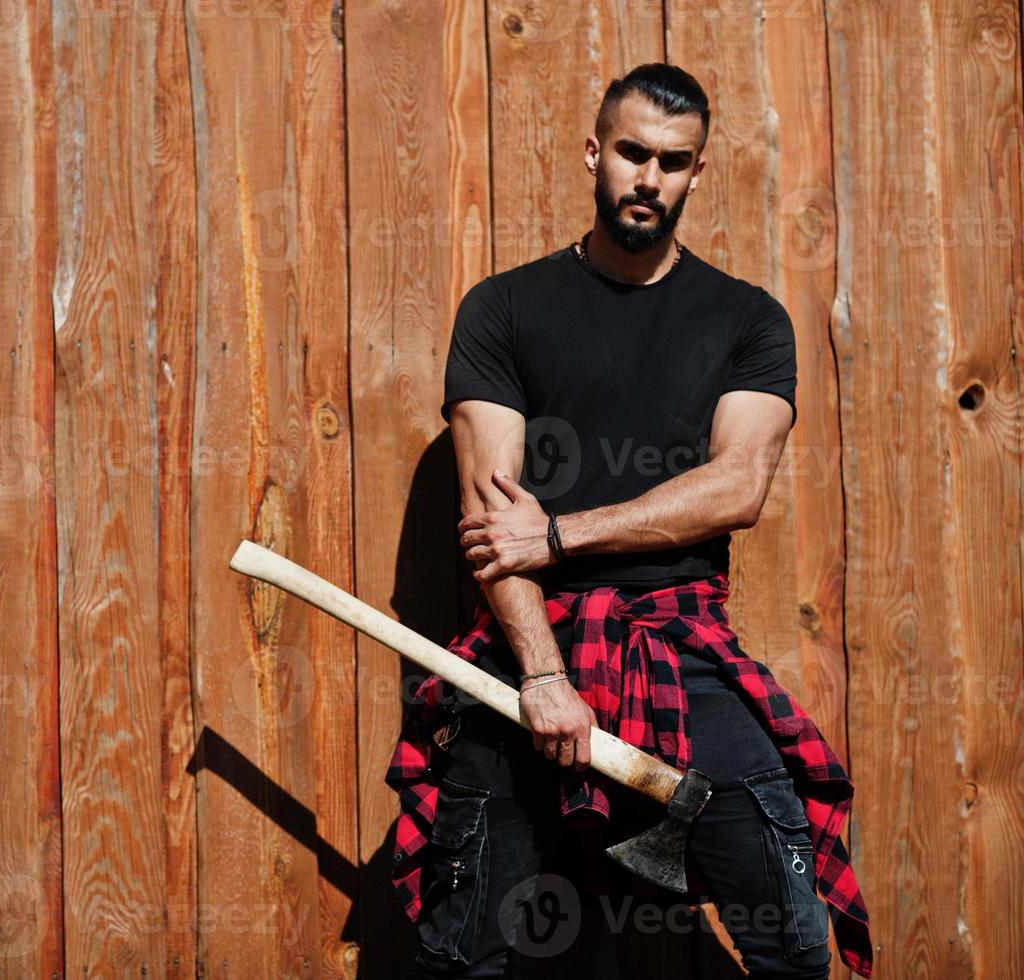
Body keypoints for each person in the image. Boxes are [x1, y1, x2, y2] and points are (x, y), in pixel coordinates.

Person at [386, 63, 873, 980]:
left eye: (673, 161)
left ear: (698, 173)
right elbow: (495, 524)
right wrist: (539, 675)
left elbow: (736, 488)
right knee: (463, 958)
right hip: (527, 653)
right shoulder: (503, 310)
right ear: (592, 152)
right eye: (631, 152)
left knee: (792, 947)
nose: (648, 177)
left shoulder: (745, 321)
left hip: (679, 648)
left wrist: (564, 533)